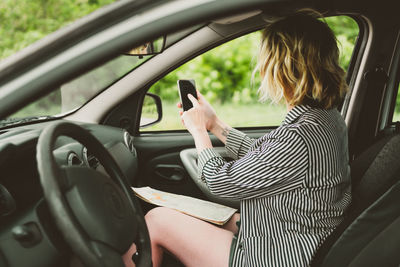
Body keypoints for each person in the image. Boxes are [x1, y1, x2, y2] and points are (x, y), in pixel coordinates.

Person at [143, 9, 351, 267]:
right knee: (212, 217)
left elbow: (219, 182)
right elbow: (266, 157)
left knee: (157, 221)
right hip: (293, 233)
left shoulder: (299, 136)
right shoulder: (325, 118)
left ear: (280, 69)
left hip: (278, 255)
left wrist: (198, 131)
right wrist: (215, 124)